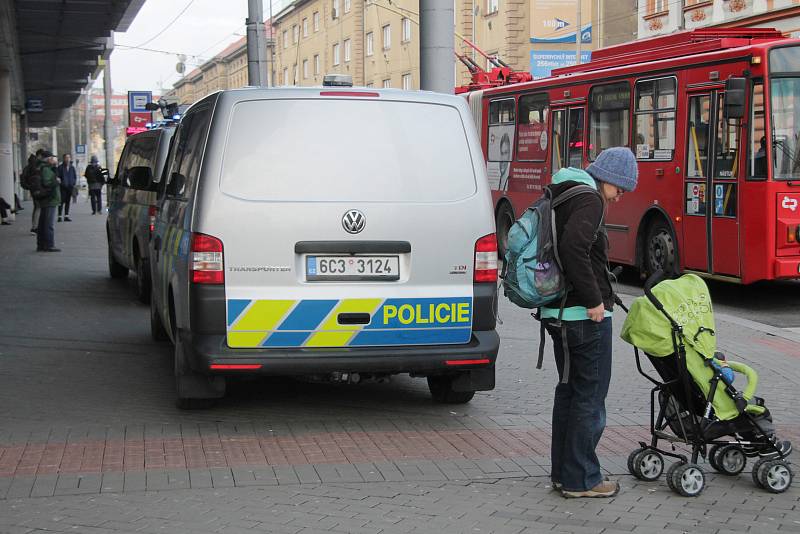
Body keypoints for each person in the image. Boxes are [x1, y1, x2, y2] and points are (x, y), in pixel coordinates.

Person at [541, 147, 638, 499]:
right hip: (583, 316)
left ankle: (564, 474)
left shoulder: (565, 192)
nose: (622, 194)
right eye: (620, 187)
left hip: (558, 312)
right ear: (607, 177)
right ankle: (582, 479)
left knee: (569, 392)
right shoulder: (590, 200)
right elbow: (573, 250)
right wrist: (595, 300)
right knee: (589, 397)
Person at [36, 152, 61, 252]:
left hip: (46, 199)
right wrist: (57, 181)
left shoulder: (44, 168)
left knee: (43, 222)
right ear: (48, 159)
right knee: (48, 224)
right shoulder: (45, 169)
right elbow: (47, 183)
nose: (54, 160)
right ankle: (49, 244)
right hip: (50, 199)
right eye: (52, 158)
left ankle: (41, 244)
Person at [56, 153, 77, 221]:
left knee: (68, 202)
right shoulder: (60, 167)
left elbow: (74, 176)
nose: (67, 159)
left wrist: (73, 183)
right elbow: (58, 176)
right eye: (66, 158)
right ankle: (59, 216)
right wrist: (61, 183)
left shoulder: (72, 167)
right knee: (61, 202)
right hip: (62, 187)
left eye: (69, 157)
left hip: (70, 187)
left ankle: (66, 216)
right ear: (64, 159)